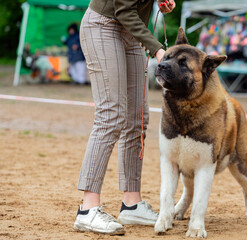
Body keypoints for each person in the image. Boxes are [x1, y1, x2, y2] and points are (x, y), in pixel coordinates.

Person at [73, 0, 176, 236]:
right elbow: (123, 9)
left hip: (131, 32)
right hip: (103, 26)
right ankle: (87, 209)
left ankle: (131, 204)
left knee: (137, 118)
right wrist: (158, 50)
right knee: (110, 116)